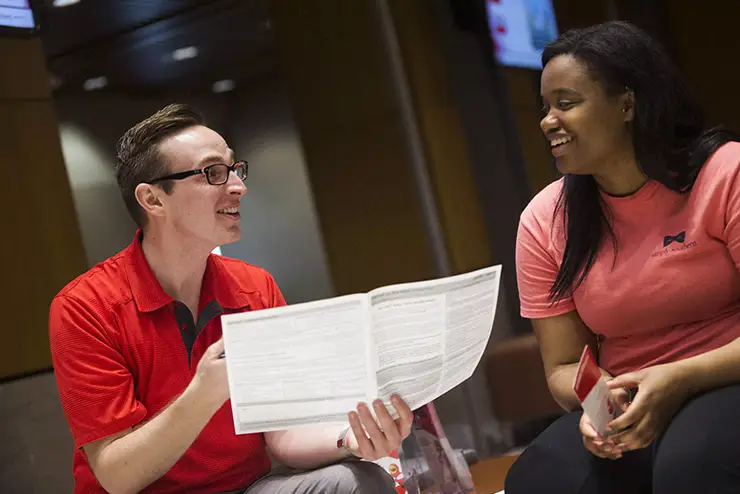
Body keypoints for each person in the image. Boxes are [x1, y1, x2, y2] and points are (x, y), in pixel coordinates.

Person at [49, 104, 413, 494]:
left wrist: (350, 440)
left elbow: (284, 436)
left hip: (246, 488)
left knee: (359, 480)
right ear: (153, 200)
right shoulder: (85, 307)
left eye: (235, 170)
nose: (239, 187)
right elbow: (117, 476)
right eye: (213, 173)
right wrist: (203, 394)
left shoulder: (255, 287)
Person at [505, 20, 740, 494]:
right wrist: (600, 405)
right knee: (537, 480)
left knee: (692, 466)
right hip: (629, 398)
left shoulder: (724, 172)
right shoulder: (544, 220)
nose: (549, 120)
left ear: (628, 104)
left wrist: (675, 379)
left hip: (725, 377)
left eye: (566, 103)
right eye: (546, 107)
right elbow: (563, 365)